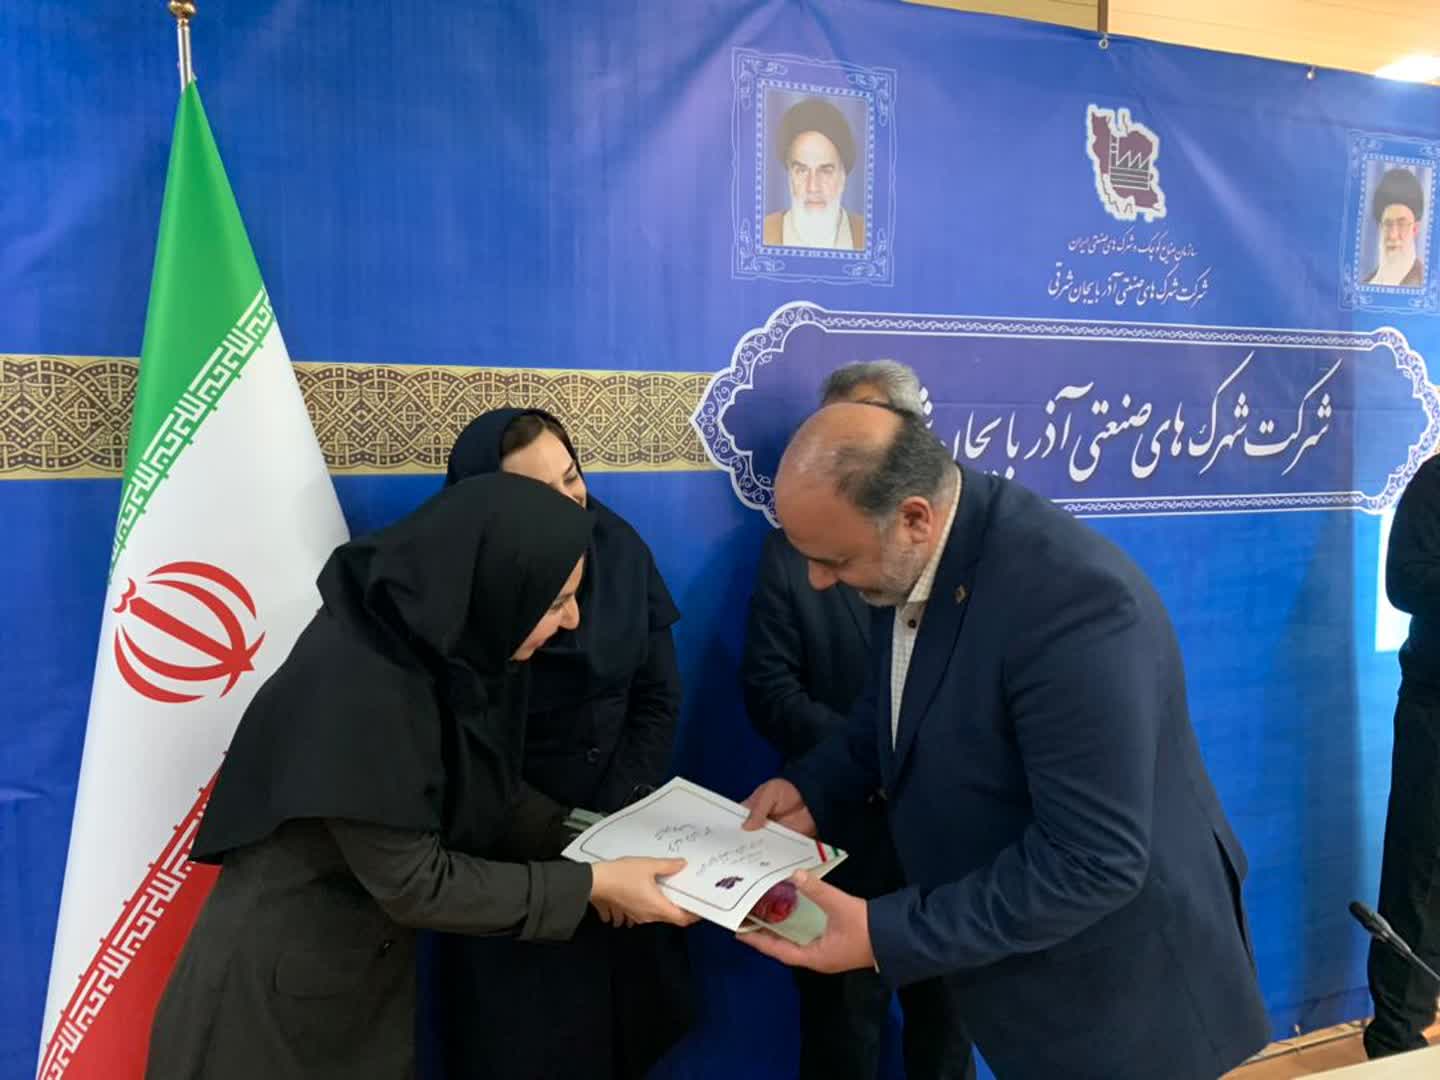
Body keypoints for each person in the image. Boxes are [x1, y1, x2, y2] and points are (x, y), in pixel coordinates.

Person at [739, 402, 1270, 1080]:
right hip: (1021, 968)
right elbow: (895, 705)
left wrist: (882, 934)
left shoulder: (1070, 603)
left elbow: (1093, 861)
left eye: (834, 560)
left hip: (1121, 997)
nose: (817, 581)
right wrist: (814, 790)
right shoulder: (913, 556)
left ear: (913, 518)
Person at [145, 473, 694, 1080]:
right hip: (266, 1020)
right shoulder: (360, 683)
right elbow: (416, 882)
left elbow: (490, 792)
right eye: (555, 602)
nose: (572, 621)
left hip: (347, 987)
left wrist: (597, 841)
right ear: (496, 585)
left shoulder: (441, 647)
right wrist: (592, 883)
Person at [431, 408, 692, 1080]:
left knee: (628, 1030)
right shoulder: (458, 578)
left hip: (622, 822)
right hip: (514, 856)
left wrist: (615, 819)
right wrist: (574, 844)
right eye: (538, 492)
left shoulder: (619, 546)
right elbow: (466, 748)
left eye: (572, 477)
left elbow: (657, 696)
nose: (569, 501)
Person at [741, 362, 973, 1080]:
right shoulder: (793, 556)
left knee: (946, 1030)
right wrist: (842, 770)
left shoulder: (970, 564)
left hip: (942, 843)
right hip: (835, 832)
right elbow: (770, 685)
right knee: (838, 1034)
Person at [1364, 455, 1440, 1057]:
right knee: (1421, 876)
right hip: (1436, 710)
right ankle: (1396, 1044)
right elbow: (1405, 581)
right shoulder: (1436, 481)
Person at [764, 97, 866, 250]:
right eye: (802, 171)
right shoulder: (762, 234)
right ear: (790, 176)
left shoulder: (866, 236)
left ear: (843, 177)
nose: (812, 187)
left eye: (825, 171)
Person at [1366, 167, 1426, 287]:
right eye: (1388, 224)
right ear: (1380, 228)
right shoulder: (1368, 283)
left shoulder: (1424, 283)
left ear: (1415, 229)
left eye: (1402, 224)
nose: (1393, 235)